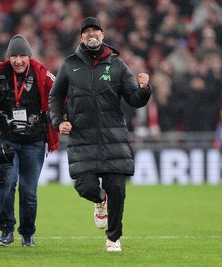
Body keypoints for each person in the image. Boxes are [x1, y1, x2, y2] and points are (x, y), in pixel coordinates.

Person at [48, 17, 151, 252]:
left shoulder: (117, 65)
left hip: (113, 138)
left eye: (95, 30)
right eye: (86, 31)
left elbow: (134, 99)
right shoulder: (68, 64)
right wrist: (57, 121)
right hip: (82, 138)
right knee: (84, 186)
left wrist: (145, 90)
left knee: (117, 189)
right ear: (81, 37)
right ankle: (99, 200)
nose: (91, 34)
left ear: (103, 35)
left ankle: (113, 238)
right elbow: (54, 97)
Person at [0, 34, 59, 247]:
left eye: (22, 55)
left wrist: (63, 116)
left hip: (34, 141)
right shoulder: (0, 72)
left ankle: (27, 234)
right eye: (14, 56)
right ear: (9, 57)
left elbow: (60, 92)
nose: (18, 60)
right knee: (7, 184)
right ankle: (6, 231)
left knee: (28, 190)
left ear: (29, 57)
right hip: (6, 140)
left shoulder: (41, 72)